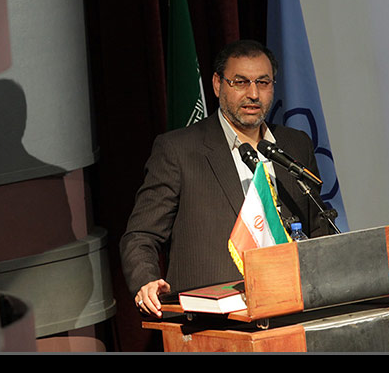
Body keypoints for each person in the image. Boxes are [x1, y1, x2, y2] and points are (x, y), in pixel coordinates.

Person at [120, 39, 332, 317]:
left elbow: (318, 227)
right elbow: (141, 235)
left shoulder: (295, 145)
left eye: (263, 83)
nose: (253, 94)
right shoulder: (178, 150)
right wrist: (146, 281)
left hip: (291, 306)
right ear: (218, 84)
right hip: (213, 317)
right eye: (240, 82)